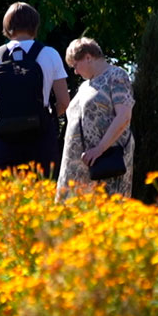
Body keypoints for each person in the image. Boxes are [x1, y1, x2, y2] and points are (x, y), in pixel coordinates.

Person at [0, 2, 70, 173]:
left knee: (4, 192)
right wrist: (44, 117)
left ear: (7, 25)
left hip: (5, 135)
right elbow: (64, 102)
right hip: (40, 136)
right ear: (35, 24)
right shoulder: (50, 53)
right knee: (42, 190)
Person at [57, 37, 135, 200]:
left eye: (75, 65)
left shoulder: (116, 75)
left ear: (88, 57)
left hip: (104, 163)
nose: (75, 72)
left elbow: (124, 116)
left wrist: (99, 149)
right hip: (78, 168)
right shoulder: (85, 85)